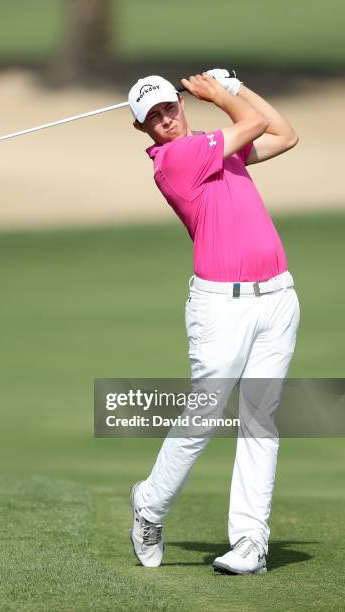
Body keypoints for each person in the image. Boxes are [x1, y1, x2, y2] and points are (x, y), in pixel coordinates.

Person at [127, 70, 300, 574]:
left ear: (180, 104)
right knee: (203, 418)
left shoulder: (213, 146)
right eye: (153, 118)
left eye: (168, 107)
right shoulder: (176, 159)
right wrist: (225, 94)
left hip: (277, 297)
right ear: (143, 131)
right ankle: (150, 505)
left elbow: (284, 134)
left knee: (260, 421)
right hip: (221, 307)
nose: (165, 119)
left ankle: (250, 541)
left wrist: (237, 85)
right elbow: (251, 122)